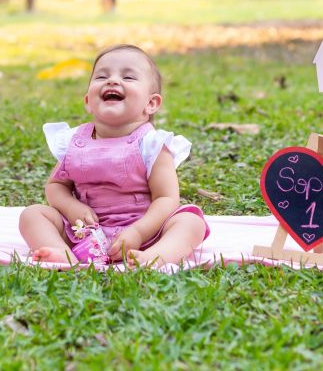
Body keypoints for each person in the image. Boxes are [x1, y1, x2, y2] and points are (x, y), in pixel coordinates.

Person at [19, 44, 211, 267]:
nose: (112, 81)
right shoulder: (75, 141)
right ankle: (62, 253)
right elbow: (56, 186)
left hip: (145, 231)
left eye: (128, 77)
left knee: (190, 222)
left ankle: (154, 256)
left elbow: (166, 198)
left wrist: (139, 232)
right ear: (88, 102)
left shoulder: (152, 145)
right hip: (84, 232)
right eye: (102, 76)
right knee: (32, 215)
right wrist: (71, 208)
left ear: (151, 103)